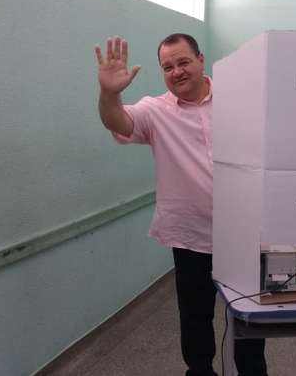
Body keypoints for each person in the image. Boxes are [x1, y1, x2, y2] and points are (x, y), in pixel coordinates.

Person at [94, 34, 268, 376]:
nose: (176, 72)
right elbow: (118, 121)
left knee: (249, 319)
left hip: (243, 234)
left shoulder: (239, 100)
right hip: (190, 237)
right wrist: (109, 93)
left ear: (201, 60)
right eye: (167, 67)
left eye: (183, 62)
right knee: (194, 319)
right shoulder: (155, 111)